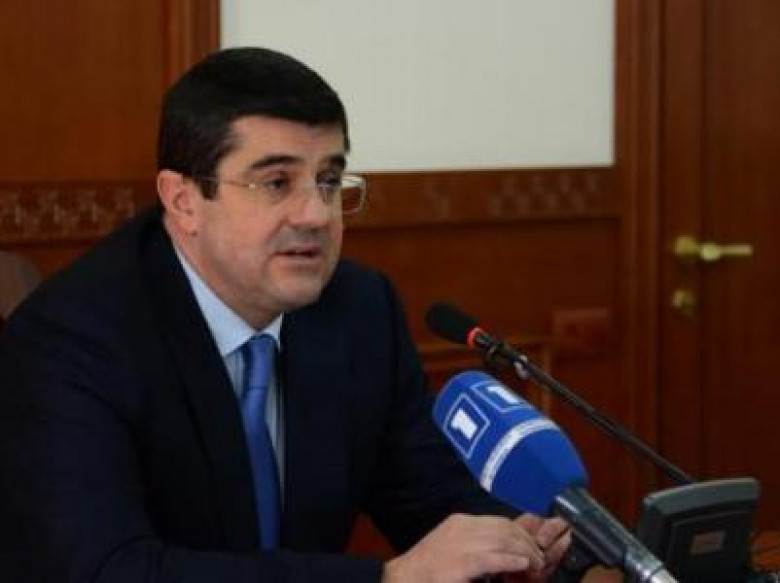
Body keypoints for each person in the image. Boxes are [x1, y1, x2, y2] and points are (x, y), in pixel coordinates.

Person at [0, 47, 569, 582]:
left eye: (329, 180)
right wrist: (387, 578)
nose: (317, 214)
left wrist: (521, 539)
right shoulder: (73, 339)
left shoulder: (358, 309)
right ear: (183, 201)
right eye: (277, 182)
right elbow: (110, 571)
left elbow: (425, 494)